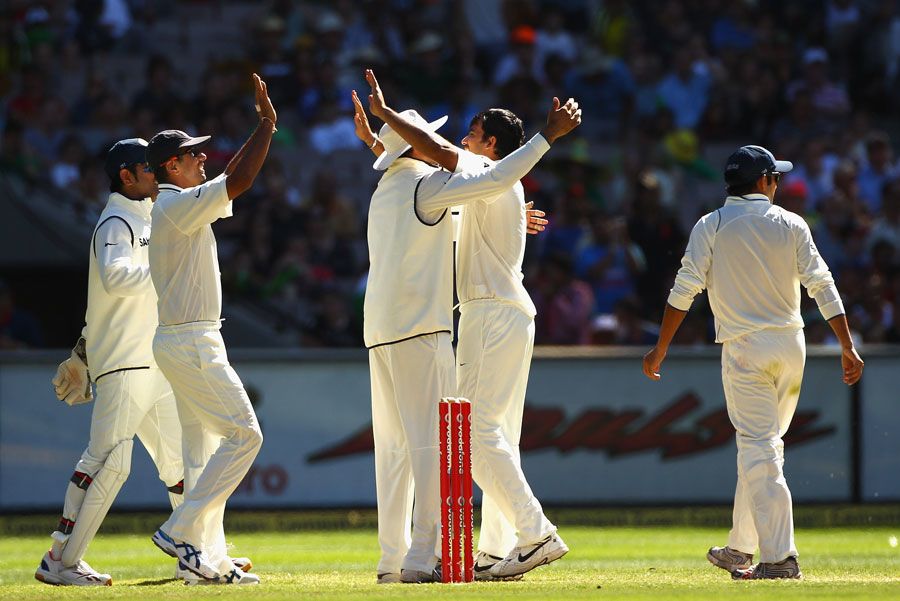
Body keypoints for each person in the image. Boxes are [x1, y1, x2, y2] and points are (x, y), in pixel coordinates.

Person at [354, 68, 580, 581]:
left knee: (473, 434)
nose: (458, 138)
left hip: (491, 312)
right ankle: (501, 547)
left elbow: (444, 164)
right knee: (493, 434)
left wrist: (385, 126)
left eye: (472, 132)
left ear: (490, 144)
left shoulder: (486, 173)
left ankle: (534, 532)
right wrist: (379, 138)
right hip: (495, 312)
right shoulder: (474, 185)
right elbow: (434, 186)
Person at [641, 145, 864, 580]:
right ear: (763, 181)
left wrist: (661, 347)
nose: (777, 183)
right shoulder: (791, 223)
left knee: (759, 448)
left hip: (745, 349)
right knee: (764, 447)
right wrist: (846, 344)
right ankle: (742, 547)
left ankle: (780, 557)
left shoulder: (712, 225)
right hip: (791, 346)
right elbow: (821, 283)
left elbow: (684, 289)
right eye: (775, 177)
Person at [146, 73, 276, 585]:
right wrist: (266, 125)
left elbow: (228, 183)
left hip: (187, 339)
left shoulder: (180, 206)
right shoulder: (175, 204)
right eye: (194, 154)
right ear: (169, 167)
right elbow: (238, 181)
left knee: (202, 457)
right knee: (246, 435)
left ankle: (207, 562)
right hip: (190, 340)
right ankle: (180, 529)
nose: (203, 158)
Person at [35, 138, 184, 586]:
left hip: (151, 359)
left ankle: (198, 550)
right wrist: (168, 267)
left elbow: (105, 301)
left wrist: (82, 348)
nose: (157, 174)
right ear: (126, 175)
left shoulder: (146, 217)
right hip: (124, 361)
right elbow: (116, 278)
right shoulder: (115, 220)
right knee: (108, 462)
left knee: (181, 459)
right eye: (149, 167)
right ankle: (60, 560)